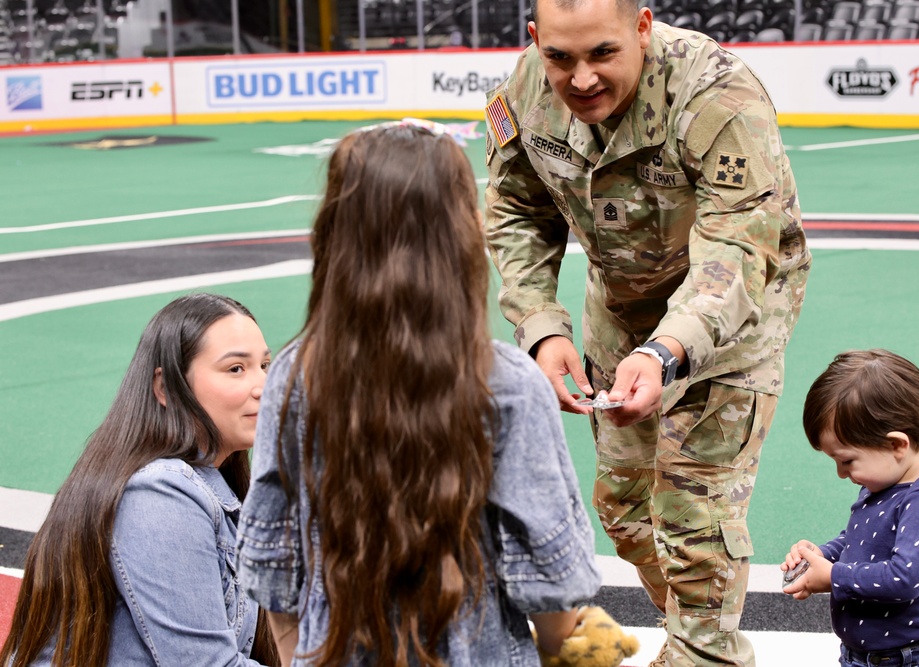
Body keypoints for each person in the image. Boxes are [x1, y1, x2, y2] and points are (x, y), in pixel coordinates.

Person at [483, 0, 811, 664]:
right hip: (621, 310)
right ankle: (692, 623)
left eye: (602, 54)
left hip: (730, 314)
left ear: (642, 27)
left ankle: (702, 651)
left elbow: (736, 251)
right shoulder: (523, 89)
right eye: (560, 57)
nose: (580, 80)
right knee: (625, 506)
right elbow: (516, 212)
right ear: (535, 40)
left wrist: (667, 350)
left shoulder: (717, 91)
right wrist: (543, 328)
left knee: (695, 515)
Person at [235, 122, 607, 667]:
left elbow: (274, 569)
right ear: (461, 232)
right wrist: (568, 654)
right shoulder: (504, 382)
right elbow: (550, 582)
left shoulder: (295, 374)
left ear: (335, 232)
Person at [0, 293, 278, 667]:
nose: (264, 385)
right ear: (164, 388)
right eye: (235, 369)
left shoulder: (209, 488)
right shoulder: (160, 492)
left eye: (265, 365)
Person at [782, 349, 919, 667]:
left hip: (914, 657)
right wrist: (824, 554)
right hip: (864, 655)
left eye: (847, 461)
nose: (841, 473)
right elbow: (863, 536)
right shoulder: (885, 480)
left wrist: (834, 576)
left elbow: (904, 579)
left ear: (896, 445)